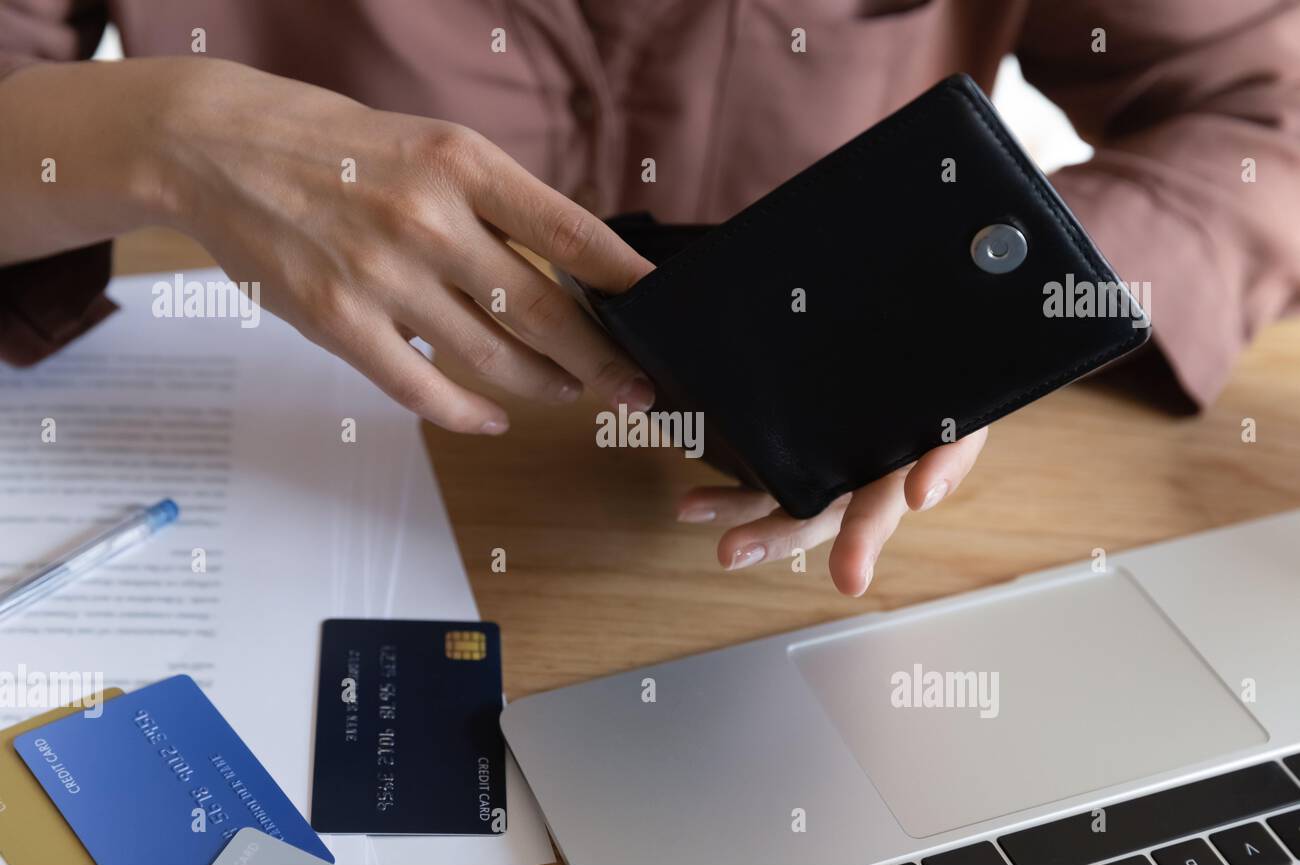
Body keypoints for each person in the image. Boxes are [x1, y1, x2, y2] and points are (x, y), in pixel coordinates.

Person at [2, 1, 1297, 596]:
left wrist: (1008, 314)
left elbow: (1266, 111)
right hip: (305, 501)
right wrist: (161, 129)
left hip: (767, 583)